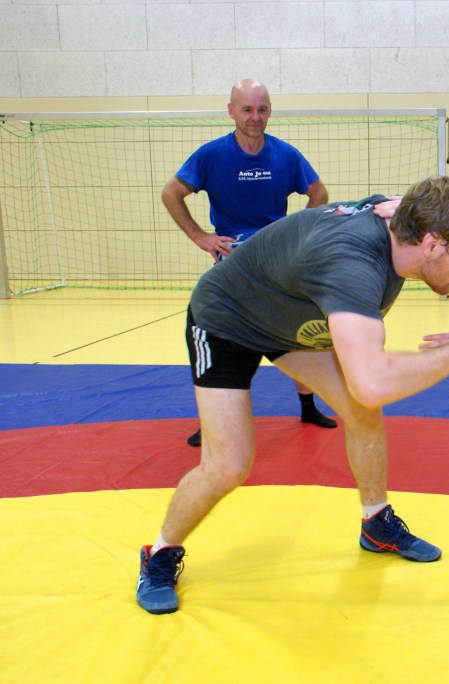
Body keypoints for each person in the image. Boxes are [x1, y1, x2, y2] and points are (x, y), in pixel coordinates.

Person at [135, 175, 449, 614]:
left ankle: (376, 522)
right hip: (227, 320)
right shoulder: (352, 265)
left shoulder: (408, 217)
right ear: (433, 243)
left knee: (363, 411)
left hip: (289, 314)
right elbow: (373, 379)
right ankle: (160, 554)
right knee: (228, 463)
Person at [162, 78, 335, 447]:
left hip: (279, 265)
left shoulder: (285, 155)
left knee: (301, 335)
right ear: (231, 111)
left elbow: (318, 193)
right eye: (247, 109)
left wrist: (295, 233)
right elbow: (171, 192)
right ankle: (213, 418)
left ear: (269, 111)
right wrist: (200, 236)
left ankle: (308, 406)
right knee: (221, 338)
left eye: (262, 109)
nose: (255, 117)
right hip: (232, 267)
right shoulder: (211, 155)